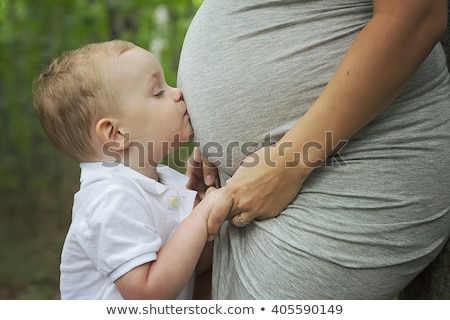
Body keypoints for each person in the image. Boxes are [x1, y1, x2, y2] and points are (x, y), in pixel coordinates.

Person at [178, 0, 450, 299]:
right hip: (262, 176)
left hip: (355, 161)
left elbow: (417, 14)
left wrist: (289, 162)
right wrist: (213, 138)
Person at [32, 40, 217, 299]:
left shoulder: (165, 182)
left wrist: (206, 204)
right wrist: (201, 218)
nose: (178, 93)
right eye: (158, 92)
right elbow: (147, 295)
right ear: (116, 133)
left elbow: (193, 265)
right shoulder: (109, 199)